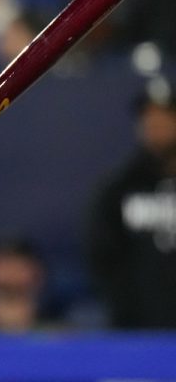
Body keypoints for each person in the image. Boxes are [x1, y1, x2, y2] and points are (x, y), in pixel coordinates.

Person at [88, 77, 176, 328]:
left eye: (166, 115)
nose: (156, 124)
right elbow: (102, 256)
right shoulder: (118, 189)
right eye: (148, 117)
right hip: (138, 330)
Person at [0, 236, 45, 333]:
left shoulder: (61, 320)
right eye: (3, 263)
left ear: (37, 271)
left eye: (19, 263)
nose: (11, 271)